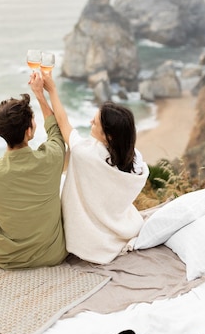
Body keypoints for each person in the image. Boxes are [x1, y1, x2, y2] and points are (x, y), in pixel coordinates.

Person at [42, 73, 149, 264]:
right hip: (121, 225)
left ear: (110, 136)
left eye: (96, 122)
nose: (91, 122)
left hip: (89, 239)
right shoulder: (136, 160)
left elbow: (62, 123)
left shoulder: (86, 154)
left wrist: (49, 91)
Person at [0, 72, 67, 269]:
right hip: (52, 255)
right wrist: (39, 93)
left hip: (9, 259)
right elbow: (56, 131)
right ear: (29, 131)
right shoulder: (51, 158)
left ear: (0, 132)